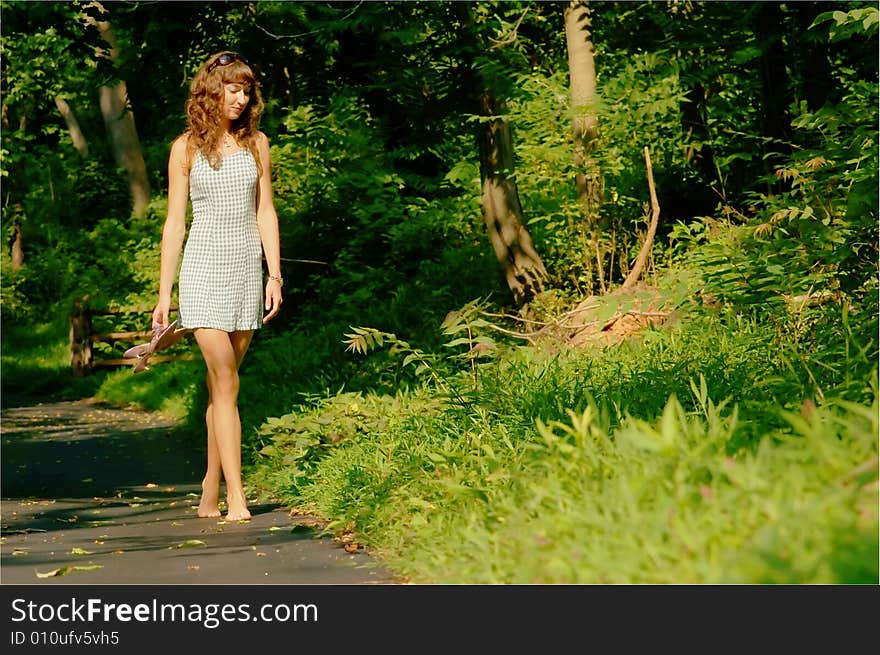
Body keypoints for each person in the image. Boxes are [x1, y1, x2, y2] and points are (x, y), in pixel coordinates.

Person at [152, 51, 282, 522]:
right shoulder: (184, 148)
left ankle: (209, 484)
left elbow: (265, 211)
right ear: (212, 92)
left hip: (247, 268)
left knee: (219, 391)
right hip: (203, 272)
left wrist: (275, 273)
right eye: (232, 89)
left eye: (246, 90)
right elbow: (174, 224)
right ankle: (236, 497)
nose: (241, 99)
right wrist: (165, 292)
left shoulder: (258, 145)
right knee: (226, 382)